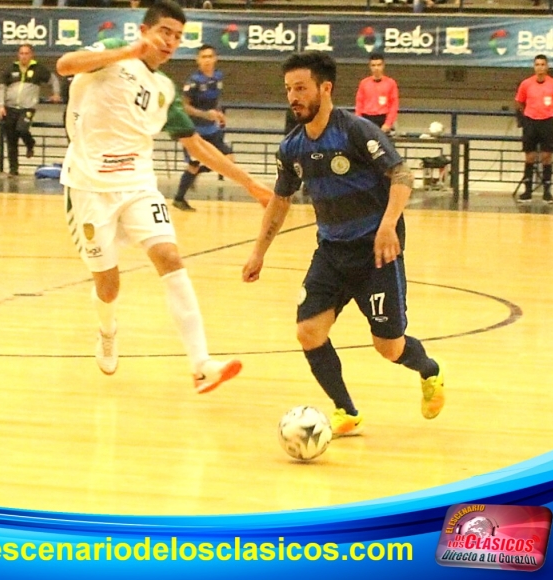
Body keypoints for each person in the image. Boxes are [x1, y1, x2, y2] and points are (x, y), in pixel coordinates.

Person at [56, 0, 272, 393]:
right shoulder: (111, 52)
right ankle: (107, 330)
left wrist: (252, 185)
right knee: (108, 284)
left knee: (170, 258)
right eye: (164, 32)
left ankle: (201, 364)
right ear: (144, 30)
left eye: (178, 36)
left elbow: (199, 147)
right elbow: (64, 65)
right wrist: (127, 52)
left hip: (138, 184)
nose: (171, 42)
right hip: (88, 188)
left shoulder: (165, 90)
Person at [242, 52, 445, 436]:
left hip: (376, 253)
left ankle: (430, 370)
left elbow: (402, 175)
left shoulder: (355, 131)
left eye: (300, 88)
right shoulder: (291, 147)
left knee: (388, 347)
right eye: (288, 90)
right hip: (332, 252)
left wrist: (388, 226)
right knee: (308, 332)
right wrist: (258, 252)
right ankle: (346, 410)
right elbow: (280, 200)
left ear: (326, 88)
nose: (293, 97)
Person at [173, 44, 232, 211]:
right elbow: (185, 107)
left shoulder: (218, 77)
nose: (207, 60)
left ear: (215, 58)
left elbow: (215, 102)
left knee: (228, 159)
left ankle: (194, 175)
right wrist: (206, 114)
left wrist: (219, 114)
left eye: (210, 56)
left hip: (212, 130)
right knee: (193, 165)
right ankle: (179, 198)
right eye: (203, 57)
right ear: (197, 60)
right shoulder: (193, 82)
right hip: (194, 131)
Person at [0, 44, 62, 177]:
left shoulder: (38, 68)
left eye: (27, 53)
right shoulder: (11, 69)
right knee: (11, 139)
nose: (24, 56)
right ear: (18, 55)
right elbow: (2, 88)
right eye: (21, 53)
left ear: (31, 55)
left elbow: (53, 79)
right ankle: (13, 170)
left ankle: (30, 143)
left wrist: (56, 93)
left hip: (27, 108)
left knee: (22, 129)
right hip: (10, 108)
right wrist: (1, 105)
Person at [515, 53, 553, 204]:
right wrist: (526, 115)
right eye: (537, 64)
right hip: (530, 122)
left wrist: (551, 113)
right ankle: (527, 192)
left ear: (547, 67)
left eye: (543, 64)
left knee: (546, 157)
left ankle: (547, 193)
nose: (540, 67)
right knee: (529, 156)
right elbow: (519, 101)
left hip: (547, 123)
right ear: (534, 67)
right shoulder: (526, 84)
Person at [355, 52, 399, 135]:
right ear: (370, 67)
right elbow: (359, 103)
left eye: (379, 65)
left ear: (383, 66)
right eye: (373, 65)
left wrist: (388, 123)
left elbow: (394, 105)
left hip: (383, 118)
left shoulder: (391, 83)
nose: (376, 68)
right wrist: (359, 121)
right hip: (366, 118)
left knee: (385, 147)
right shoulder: (364, 83)